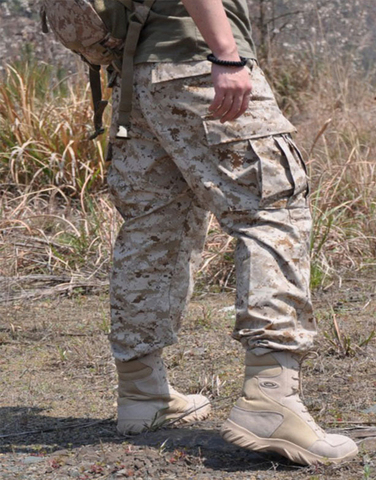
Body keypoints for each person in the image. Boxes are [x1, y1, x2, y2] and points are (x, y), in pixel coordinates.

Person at [107, 0, 358, 466]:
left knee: (154, 227)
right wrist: (225, 53)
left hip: (138, 78)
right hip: (198, 61)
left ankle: (142, 394)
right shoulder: (213, 53)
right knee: (272, 210)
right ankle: (270, 401)